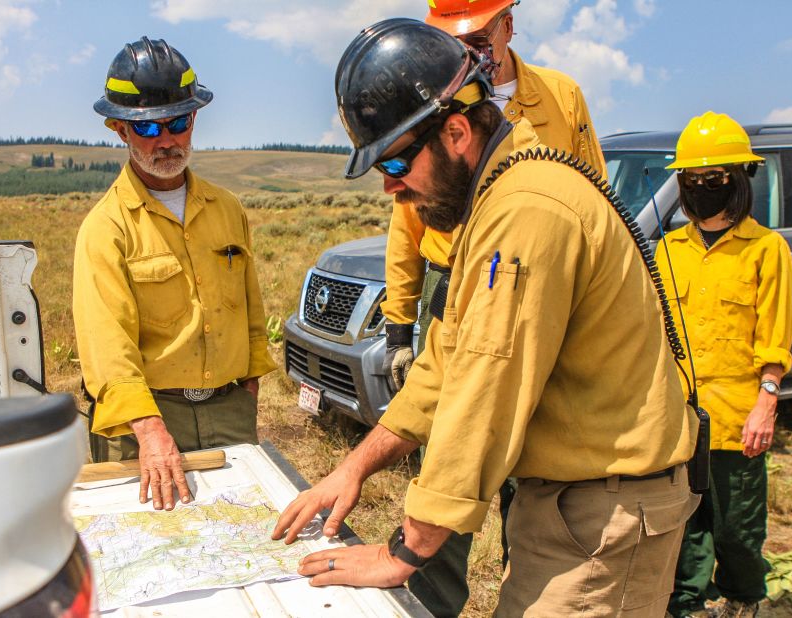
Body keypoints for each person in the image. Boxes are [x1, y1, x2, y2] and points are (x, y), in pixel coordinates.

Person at [273, 19, 698, 616]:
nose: (392, 191)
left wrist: (405, 551)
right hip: (575, 507)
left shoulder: (525, 210)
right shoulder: (498, 197)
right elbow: (446, 359)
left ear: (455, 131)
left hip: (605, 522)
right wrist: (356, 466)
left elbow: (483, 389)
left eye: (396, 166)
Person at [380, 2, 606, 613]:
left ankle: (529, 576)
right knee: (452, 439)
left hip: (538, 280)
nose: (468, 51)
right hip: (454, 279)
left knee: (526, 442)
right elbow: (407, 218)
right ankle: (431, 592)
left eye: (478, 37)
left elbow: (592, 196)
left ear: (509, 24)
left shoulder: (560, 98)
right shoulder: (428, 96)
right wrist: (401, 324)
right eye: (452, 40)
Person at [73, 37, 276, 512]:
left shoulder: (227, 209)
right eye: (145, 128)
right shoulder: (105, 228)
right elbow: (107, 349)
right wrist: (150, 430)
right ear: (120, 130)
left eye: (177, 123)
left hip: (229, 411)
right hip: (145, 425)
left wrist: (245, 393)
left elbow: (251, 315)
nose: (165, 140)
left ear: (194, 119)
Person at [659, 112, 792, 618]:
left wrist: (766, 404)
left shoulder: (766, 250)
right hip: (678, 420)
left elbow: (775, 339)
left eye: (714, 180)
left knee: (738, 531)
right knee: (685, 526)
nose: (702, 189)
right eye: (692, 181)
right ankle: (689, 605)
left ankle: (744, 598)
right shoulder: (668, 251)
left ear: (739, 180)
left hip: (738, 420)